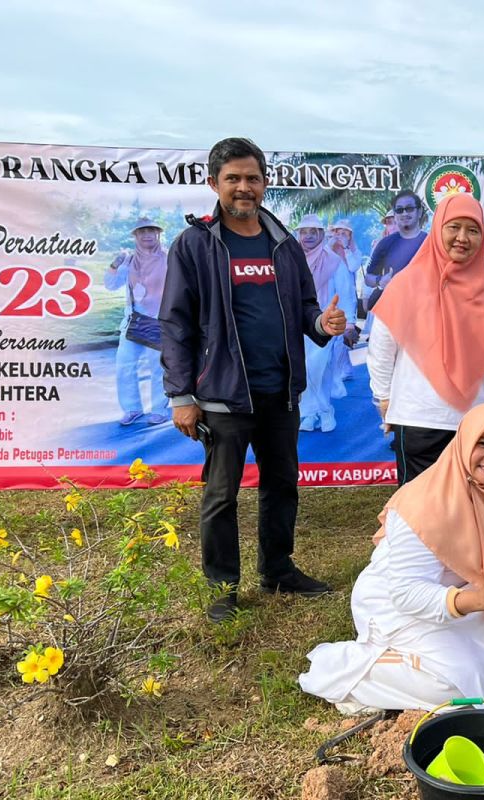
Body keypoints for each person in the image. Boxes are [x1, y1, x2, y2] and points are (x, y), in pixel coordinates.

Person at [159, 137, 351, 622]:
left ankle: (278, 569)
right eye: (233, 179)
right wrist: (182, 395)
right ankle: (222, 586)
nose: (244, 187)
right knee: (222, 495)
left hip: (280, 390)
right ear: (213, 184)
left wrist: (319, 325)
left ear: (264, 183)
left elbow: (306, 306)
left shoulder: (282, 242)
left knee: (282, 483)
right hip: (223, 395)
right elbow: (175, 323)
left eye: (252, 178)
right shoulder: (196, 244)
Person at [298, 403, 484, 713]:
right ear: (463, 443)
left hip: (464, 593)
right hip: (397, 603)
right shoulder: (424, 504)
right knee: (459, 687)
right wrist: (480, 600)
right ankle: (351, 669)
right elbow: (405, 593)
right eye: (483, 443)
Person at [369, 193, 484, 484]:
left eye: (473, 230)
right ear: (438, 230)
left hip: (475, 419)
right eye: (454, 227)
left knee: (472, 508)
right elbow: (382, 347)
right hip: (419, 419)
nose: (463, 237)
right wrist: (384, 398)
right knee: (420, 514)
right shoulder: (406, 284)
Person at [294, 213, 358, 431]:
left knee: (320, 368)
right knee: (304, 369)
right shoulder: (292, 259)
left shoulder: (333, 260)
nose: (309, 236)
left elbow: (346, 292)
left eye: (314, 231)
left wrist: (349, 324)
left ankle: (325, 410)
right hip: (299, 325)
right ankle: (310, 414)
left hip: (326, 324)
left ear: (321, 234)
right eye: (304, 231)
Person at [105, 217, 170, 426]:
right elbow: (111, 284)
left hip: (160, 322)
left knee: (157, 368)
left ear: (158, 234)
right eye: (142, 232)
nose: (147, 235)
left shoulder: (169, 258)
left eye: (151, 231)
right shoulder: (129, 261)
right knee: (125, 365)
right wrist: (114, 265)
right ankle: (132, 408)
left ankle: (158, 409)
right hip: (134, 321)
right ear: (135, 236)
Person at [365, 189, 428, 307]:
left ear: (419, 212)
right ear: (395, 215)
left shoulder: (431, 242)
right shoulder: (385, 244)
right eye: (399, 210)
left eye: (409, 208)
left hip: (423, 310)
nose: (404, 213)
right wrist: (380, 280)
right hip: (391, 310)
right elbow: (368, 278)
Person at [327, 217, 364, 394]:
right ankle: (345, 368)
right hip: (330, 298)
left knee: (344, 336)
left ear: (350, 236)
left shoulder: (354, 252)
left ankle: (340, 370)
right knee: (334, 337)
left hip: (347, 298)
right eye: (338, 232)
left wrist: (347, 247)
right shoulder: (327, 250)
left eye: (345, 233)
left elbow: (354, 266)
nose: (341, 236)